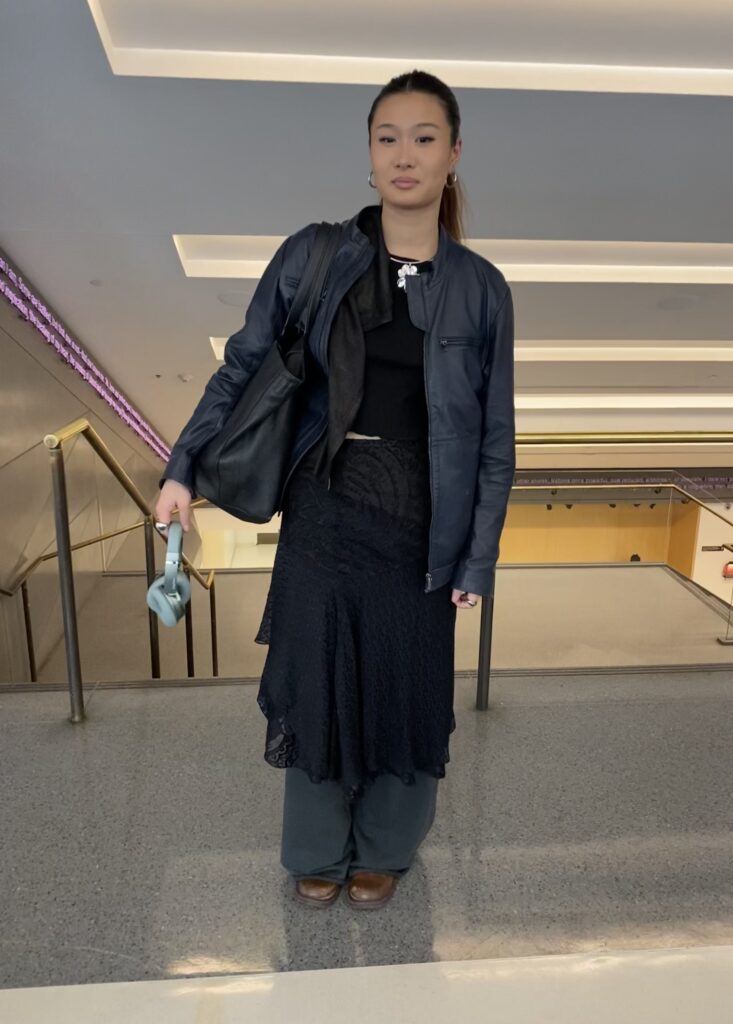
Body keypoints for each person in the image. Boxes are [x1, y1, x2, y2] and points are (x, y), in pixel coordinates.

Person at [155, 69, 515, 911]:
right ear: (368, 154)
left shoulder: (481, 288)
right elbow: (243, 364)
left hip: (424, 518)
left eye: (424, 138)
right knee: (316, 676)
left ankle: (386, 845)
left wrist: (480, 554)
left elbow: (495, 437)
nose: (404, 155)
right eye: (387, 137)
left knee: (406, 680)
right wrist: (181, 468)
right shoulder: (317, 254)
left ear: (453, 154)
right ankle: (318, 847)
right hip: (325, 505)